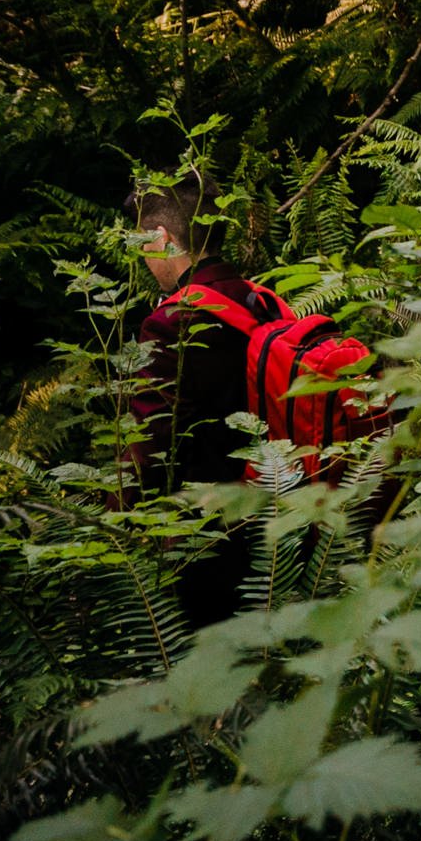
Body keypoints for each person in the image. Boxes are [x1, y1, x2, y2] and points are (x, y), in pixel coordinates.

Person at [122, 173, 279, 625]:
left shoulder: (172, 320)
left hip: (205, 539)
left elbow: (149, 447)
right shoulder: (259, 300)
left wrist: (114, 528)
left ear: (160, 237)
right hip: (275, 523)